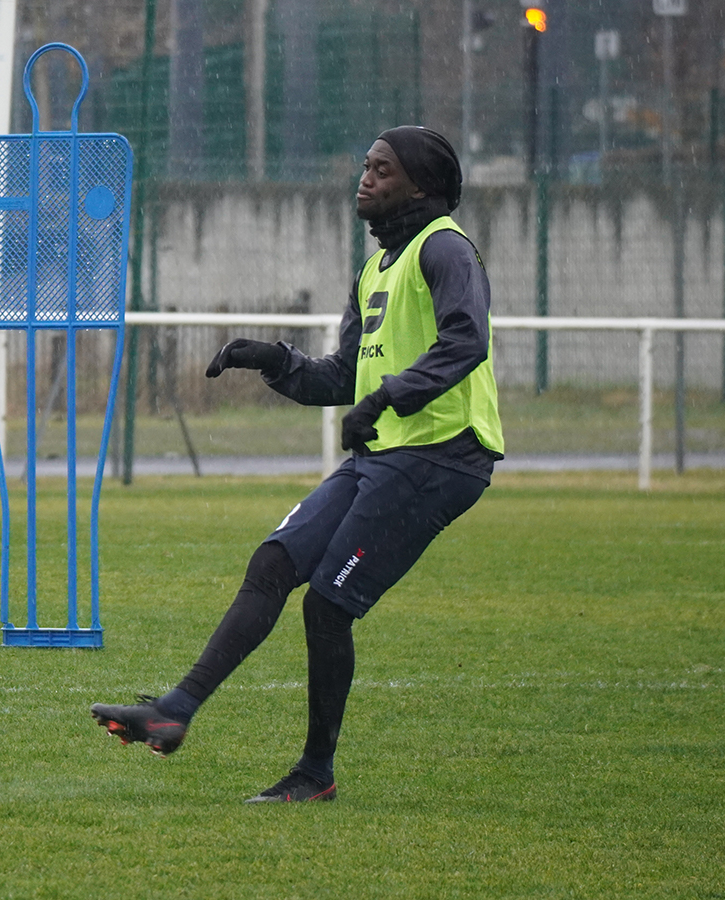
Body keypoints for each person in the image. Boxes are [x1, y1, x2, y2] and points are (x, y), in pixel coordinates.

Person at [91, 126, 504, 803]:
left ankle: (315, 773)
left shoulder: (446, 250)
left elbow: (468, 342)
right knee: (273, 565)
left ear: (421, 187)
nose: (365, 177)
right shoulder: (376, 267)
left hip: (440, 455)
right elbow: (341, 376)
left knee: (327, 606)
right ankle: (175, 711)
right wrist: (274, 359)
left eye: (382, 169)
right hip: (387, 453)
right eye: (365, 166)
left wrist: (386, 399)